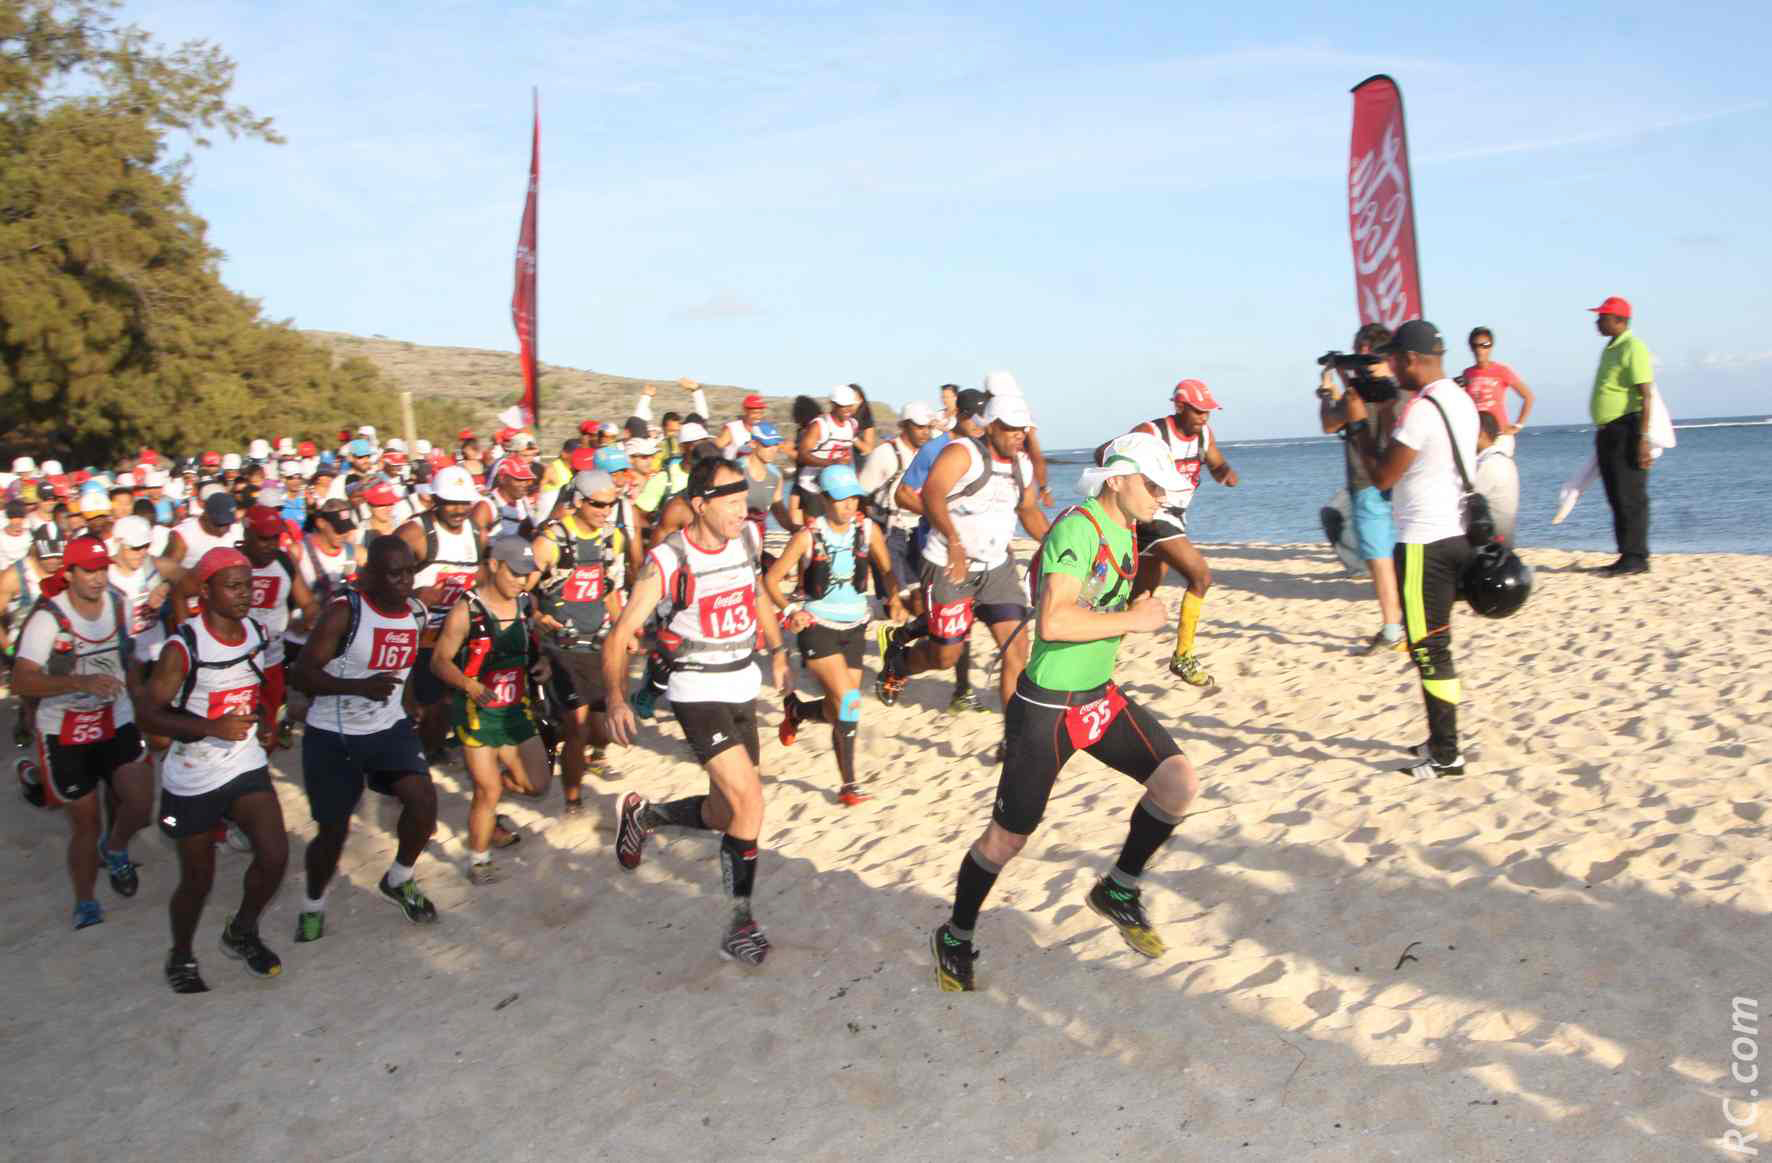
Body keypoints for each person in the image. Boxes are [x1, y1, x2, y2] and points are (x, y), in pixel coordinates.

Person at [929, 433, 1202, 992]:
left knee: (1177, 784)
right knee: (1007, 840)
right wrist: (1135, 619)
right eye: (1152, 486)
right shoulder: (1079, 528)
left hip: (1099, 698)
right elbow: (1054, 622)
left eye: (1163, 490)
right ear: (1119, 480)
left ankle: (1118, 889)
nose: (1160, 498)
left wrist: (1131, 610)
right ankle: (955, 935)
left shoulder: (1128, 527)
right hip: (1048, 710)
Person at [604, 457, 790, 966]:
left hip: (741, 683)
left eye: (743, 500)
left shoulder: (748, 539)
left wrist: (777, 651)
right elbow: (620, 635)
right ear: (700, 504)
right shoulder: (668, 559)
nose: (740, 510)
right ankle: (739, 923)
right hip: (695, 689)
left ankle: (646, 816)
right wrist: (617, 698)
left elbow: (756, 595)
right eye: (729, 501)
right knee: (751, 802)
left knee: (722, 812)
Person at [137, 547, 288, 992]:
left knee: (275, 854)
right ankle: (181, 954)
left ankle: (241, 931)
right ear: (205, 591)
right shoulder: (182, 647)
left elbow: (254, 692)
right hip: (193, 773)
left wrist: (263, 723)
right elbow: (149, 716)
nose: (245, 595)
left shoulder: (257, 633)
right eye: (234, 586)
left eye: (249, 585)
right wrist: (210, 727)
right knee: (197, 879)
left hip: (242, 763)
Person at [1340, 320, 1480, 778]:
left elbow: (1382, 476)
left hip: (1424, 542)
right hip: (1460, 534)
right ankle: (1441, 740)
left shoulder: (1420, 411)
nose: (1392, 366)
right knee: (1438, 644)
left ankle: (1446, 755)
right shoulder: (1459, 398)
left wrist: (1358, 422)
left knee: (1429, 648)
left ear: (1414, 360)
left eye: (1397, 358)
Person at [290, 534, 440, 940]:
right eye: (394, 574)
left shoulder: (415, 613)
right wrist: (357, 687)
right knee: (333, 832)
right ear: (370, 575)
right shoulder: (345, 612)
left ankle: (399, 879)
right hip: (334, 735)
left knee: (424, 803)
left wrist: (409, 701)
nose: (405, 581)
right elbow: (301, 674)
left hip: (388, 728)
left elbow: (403, 664)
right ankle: (313, 904)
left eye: (410, 571)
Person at [879, 395, 1048, 748]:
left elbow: (1028, 510)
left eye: (1023, 429)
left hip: (997, 569)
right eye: (1012, 428)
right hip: (946, 565)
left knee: (1017, 651)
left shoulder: (1022, 465)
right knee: (945, 656)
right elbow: (934, 495)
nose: (1019, 435)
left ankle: (1011, 742)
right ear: (992, 424)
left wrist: (1054, 540)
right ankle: (899, 664)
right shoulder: (962, 453)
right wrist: (954, 540)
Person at [11, 536, 154, 929]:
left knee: (140, 803)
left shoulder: (120, 604)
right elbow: (23, 681)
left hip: (117, 717)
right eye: (88, 570)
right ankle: (86, 899)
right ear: (69, 573)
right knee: (85, 823)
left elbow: (132, 659)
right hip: (66, 729)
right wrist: (80, 683)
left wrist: (142, 699)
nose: (97, 578)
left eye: (102, 569)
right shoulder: (48, 620)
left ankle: (116, 848)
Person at [763, 464, 904, 806]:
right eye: (841, 499)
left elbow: (886, 569)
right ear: (824, 500)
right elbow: (770, 581)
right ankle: (849, 785)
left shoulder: (868, 530)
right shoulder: (807, 537)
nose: (849, 505)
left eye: (854, 497)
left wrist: (895, 598)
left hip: (856, 627)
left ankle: (797, 712)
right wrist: (790, 612)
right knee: (849, 704)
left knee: (838, 708)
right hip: (818, 628)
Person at [1098, 378, 1239, 687]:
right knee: (1201, 575)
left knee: (1140, 597)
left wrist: (1224, 473)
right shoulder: (1152, 433)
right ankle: (1183, 656)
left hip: (1175, 518)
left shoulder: (1204, 435)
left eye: (1208, 412)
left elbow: (1216, 462)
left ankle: (1100, 660)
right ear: (1179, 406)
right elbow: (1105, 453)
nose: (1204, 417)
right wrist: (1128, 486)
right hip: (1152, 516)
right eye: (1198, 411)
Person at [431, 536, 552, 883]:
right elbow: (439, 662)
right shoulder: (466, 610)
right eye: (515, 573)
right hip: (476, 714)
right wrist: (468, 684)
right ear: (495, 565)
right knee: (489, 792)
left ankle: (488, 781)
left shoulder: (526, 604)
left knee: (537, 784)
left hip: (516, 710)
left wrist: (541, 664)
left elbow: (533, 650)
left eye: (527, 574)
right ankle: (479, 859)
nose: (522, 580)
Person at [882, 388, 994, 713]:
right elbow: (903, 494)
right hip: (939, 547)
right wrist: (942, 519)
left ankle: (961, 689)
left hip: (978, 551)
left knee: (965, 618)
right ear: (960, 415)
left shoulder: (987, 449)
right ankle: (902, 656)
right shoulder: (936, 448)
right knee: (953, 623)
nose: (981, 425)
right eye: (975, 418)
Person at [533, 471, 629, 811]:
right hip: (563, 646)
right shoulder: (551, 539)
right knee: (577, 726)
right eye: (598, 504)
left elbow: (611, 589)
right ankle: (573, 801)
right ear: (579, 500)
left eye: (611, 503)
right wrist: (535, 616)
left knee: (603, 728)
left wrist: (624, 629)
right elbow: (519, 586)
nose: (606, 510)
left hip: (600, 643)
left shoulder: (612, 539)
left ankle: (554, 734)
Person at [1319, 323, 1407, 653]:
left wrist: (1328, 392)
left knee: (1379, 559)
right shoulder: (1402, 390)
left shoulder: (1359, 393)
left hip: (1367, 482)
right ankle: (1405, 624)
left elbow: (1330, 422)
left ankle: (1391, 629)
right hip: (1402, 481)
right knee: (1399, 555)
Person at [399, 464, 487, 760]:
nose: (459, 509)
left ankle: (433, 746)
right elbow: (378, 578)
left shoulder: (476, 532)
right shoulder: (415, 533)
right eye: (451, 502)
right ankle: (419, 752)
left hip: (457, 632)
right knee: (429, 705)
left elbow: (483, 576)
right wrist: (415, 595)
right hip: (418, 634)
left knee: (451, 701)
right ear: (434, 499)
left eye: (464, 502)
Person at [1588, 296, 1657, 575]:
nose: (1597, 321)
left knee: (1631, 495)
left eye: (1602, 317)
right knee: (1616, 495)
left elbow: (1646, 394)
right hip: (1608, 431)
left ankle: (1637, 557)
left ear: (1619, 320)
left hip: (1627, 428)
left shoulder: (1632, 347)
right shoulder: (1611, 348)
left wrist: (1643, 438)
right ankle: (1626, 553)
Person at [240, 506, 318, 748]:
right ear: (247, 535)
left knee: (267, 736)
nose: (271, 544)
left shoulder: (284, 561)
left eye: (275, 537)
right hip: (236, 667)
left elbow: (308, 602)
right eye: (264, 538)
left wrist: (306, 619)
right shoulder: (231, 562)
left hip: (272, 664)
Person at [857, 401, 936, 613]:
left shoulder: (932, 455)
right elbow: (861, 493)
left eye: (928, 427)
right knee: (898, 598)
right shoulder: (885, 453)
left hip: (919, 530)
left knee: (920, 594)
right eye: (920, 427)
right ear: (904, 426)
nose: (925, 432)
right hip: (890, 530)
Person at [792, 385, 862, 525]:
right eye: (843, 406)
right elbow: (802, 454)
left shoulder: (852, 425)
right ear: (833, 405)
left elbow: (847, 453)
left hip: (834, 484)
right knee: (815, 529)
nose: (848, 410)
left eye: (850, 406)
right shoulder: (820, 425)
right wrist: (831, 463)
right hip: (812, 484)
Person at [1460, 327, 1535, 445]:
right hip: (1476, 438)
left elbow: (1528, 397)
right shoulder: (1467, 374)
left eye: (1485, 345)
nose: (1480, 349)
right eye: (1475, 345)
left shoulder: (1502, 371)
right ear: (1471, 348)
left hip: (1500, 436)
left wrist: (1518, 425)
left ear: (1491, 346)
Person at [1473, 414, 1520, 551]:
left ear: (1481, 434)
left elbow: (1465, 500)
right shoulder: (1503, 459)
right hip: (1503, 539)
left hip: (1491, 544)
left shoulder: (1489, 464)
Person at [716, 393, 770, 459]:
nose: (758, 416)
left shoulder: (765, 429)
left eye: (761, 413)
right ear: (745, 410)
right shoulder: (732, 429)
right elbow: (715, 448)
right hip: (734, 467)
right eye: (755, 413)